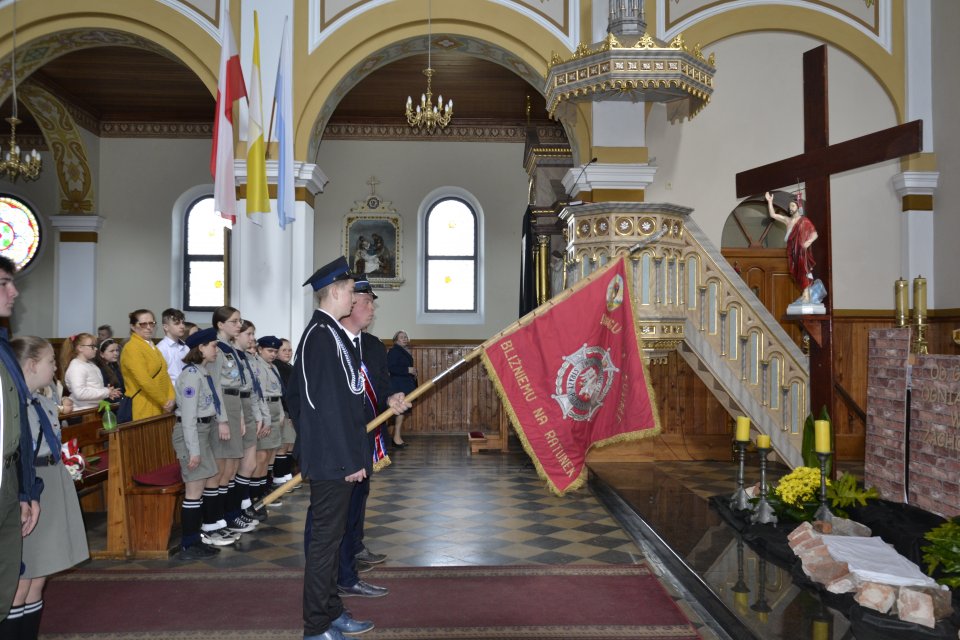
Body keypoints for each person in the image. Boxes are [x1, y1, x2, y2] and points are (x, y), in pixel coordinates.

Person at [287, 257, 379, 639]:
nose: (355, 298)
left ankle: (332, 610)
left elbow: (346, 400)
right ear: (337, 292)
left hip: (336, 456)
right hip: (331, 461)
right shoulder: (320, 336)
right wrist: (346, 459)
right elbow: (323, 406)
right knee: (324, 546)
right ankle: (316, 626)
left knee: (333, 538)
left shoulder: (331, 333)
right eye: (352, 291)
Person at [7, 337, 89, 638]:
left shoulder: (41, 402)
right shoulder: (13, 407)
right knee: (21, 578)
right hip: (29, 485)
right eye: (50, 361)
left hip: (52, 482)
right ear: (31, 365)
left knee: (39, 574)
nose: (56, 367)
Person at [336, 275, 406, 599]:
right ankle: (341, 566)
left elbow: (382, 385)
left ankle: (355, 546)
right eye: (367, 302)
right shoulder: (332, 342)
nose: (372, 309)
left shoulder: (375, 346)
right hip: (342, 438)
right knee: (341, 502)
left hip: (369, 432)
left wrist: (392, 398)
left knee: (361, 493)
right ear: (351, 304)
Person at [0, 256, 40, 630]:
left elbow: (21, 426)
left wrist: (26, 489)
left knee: (7, 577)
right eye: (3, 284)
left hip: (9, 479)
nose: (14, 292)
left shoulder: (3, 348)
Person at [173, 327, 225, 560]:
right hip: (192, 434)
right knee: (194, 491)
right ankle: (188, 543)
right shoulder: (191, 376)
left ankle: (196, 539)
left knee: (200, 488)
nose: (216, 350)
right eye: (213, 346)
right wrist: (193, 451)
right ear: (201, 348)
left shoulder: (203, 373)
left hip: (203, 432)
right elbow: (188, 418)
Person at [206, 307, 257, 540]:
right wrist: (222, 419)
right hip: (225, 406)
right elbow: (215, 386)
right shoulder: (217, 349)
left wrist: (242, 417)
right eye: (234, 321)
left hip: (235, 404)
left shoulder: (230, 350)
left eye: (239, 321)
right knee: (223, 468)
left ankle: (226, 515)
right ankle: (215, 520)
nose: (238, 325)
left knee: (232, 467)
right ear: (220, 324)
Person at [765, 191, 822, 304]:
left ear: (798, 207)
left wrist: (808, 242)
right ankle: (805, 294)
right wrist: (770, 202)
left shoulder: (804, 221)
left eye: (792, 206)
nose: (790, 208)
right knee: (796, 274)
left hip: (801, 252)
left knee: (803, 272)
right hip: (792, 252)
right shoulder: (788, 220)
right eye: (789, 206)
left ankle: (806, 295)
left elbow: (815, 234)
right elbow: (773, 215)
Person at [249, 336, 284, 517]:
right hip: (265, 410)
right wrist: (265, 418)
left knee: (270, 454)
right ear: (260, 349)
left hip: (275, 407)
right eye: (270, 351)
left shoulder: (273, 367)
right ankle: (256, 496)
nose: (273, 354)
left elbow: (278, 392)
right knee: (261, 456)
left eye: (275, 351)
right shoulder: (257, 366)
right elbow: (259, 394)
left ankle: (264, 490)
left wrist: (281, 413)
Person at [119, 310, 175, 421]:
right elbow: (144, 380)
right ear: (133, 327)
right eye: (143, 324)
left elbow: (164, 373)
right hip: (143, 403)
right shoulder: (132, 347)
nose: (149, 327)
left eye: (151, 323)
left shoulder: (151, 346)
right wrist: (164, 401)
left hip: (161, 403)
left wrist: (171, 397)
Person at [60, 333, 122, 410]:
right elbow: (80, 393)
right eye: (92, 346)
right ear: (80, 348)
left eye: (95, 346)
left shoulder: (90, 364)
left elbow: (93, 387)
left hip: (92, 408)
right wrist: (106, 392)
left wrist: (109, 392)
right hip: (82, 411)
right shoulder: (76, 367)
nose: (96, 349)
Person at [271, 338, 296, 488]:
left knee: (290, 443)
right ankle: (280, 477)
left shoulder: (288, 367)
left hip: (290, 411)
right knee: (284, 445)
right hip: (284, 410)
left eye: (289, 350)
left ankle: (287, 475)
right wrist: (290, 413)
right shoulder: (278, 367)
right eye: (284, 350)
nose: (287, 353)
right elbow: (285, 392)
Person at [387, 330, 417, 448]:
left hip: (404, 384)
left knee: (402, 412)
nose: (404, 339)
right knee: (400, 411)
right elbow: (390, 368)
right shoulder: (394, 351)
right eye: (402, 337)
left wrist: (412, 372)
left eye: (405, 337)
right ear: (396, 340)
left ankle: (396, 437)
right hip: (398, 386)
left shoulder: (403, 351)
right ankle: (396, 438)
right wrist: (407, 370)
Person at [158, 308, 189, 385]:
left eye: (183, 323)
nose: (182, 326)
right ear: (166, 327)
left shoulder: (186, 347)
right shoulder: (161, 349)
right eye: (177, 323)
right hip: (170, 389)